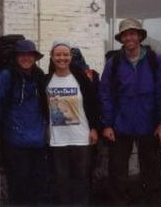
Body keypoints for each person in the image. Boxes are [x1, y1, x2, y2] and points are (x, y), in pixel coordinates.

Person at [99, 18, 161, 204]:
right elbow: (105, 94)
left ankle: (149, 202)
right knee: (117, 171)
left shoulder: (154, 60)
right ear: (121, 38)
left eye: (133, 33)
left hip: (150, 124)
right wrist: (107, 124)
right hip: (120, 125)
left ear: (140, 36)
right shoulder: (113, 63)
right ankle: (120, 202)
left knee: (151, 170)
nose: (129, 37)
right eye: (125, 34)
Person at [0, 39, 49, 204]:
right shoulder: (6, 76)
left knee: (38, 185)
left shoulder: (39, 76)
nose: (26, 58)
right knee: (19, 186)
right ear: (16, 57)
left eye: (30, 55)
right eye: (22, 55)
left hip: (38, 140)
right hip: (15, 140)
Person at [46, 41, 101, 205]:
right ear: (52, 57)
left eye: (65, 54)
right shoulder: (46, 80)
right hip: (58, 140)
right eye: (58, 55)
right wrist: (45, 127)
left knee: (81, 180)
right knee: (61, 181)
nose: (62, 58)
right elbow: (43, 108)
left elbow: (93, 104)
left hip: (81, 138)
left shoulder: (81, 79)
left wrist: (94, 128)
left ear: (71, 57)